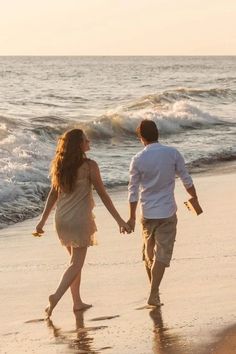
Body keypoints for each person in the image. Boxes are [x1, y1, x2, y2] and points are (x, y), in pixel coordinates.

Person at [35, 128, 131, 317]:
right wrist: (120, 220)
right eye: (86, 140)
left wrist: (41, 221)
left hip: (61, 219)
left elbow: (53, 195)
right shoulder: (89, 166)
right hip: (79, 220)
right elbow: (103, 195)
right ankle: (55, 297)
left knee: (73, 263)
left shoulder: (59, 165)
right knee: (76, 264)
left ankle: (77, 302)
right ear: (79, 145)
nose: (89, 143)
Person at [127, 119, 201, 307]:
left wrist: (131, 216)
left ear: (141, 137)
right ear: (157, 133)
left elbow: (133, 191)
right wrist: (194, 198)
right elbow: (186, 179)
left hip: (147, 212)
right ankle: (154, 292)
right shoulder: (172, 153)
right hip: (167, 211)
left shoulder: (138, 159)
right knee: (161, 254)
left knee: (148, 253)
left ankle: (154, 292)